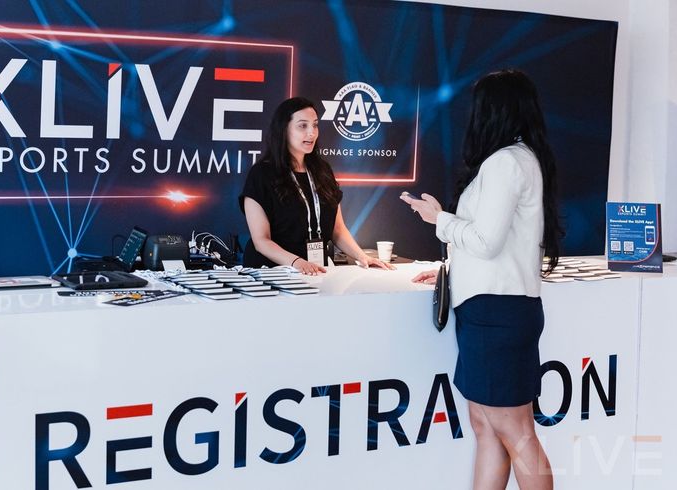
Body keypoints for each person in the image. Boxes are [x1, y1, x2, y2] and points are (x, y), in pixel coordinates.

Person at [401, 69, 562, 490]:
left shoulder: (506, 162)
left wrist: (440, 220)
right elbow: (491, 242)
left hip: (497, 312)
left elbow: (486, 242)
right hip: (492, 310)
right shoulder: (516, 160)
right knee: (486, 424)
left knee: (516, 430)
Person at [240, 97, 392, 274]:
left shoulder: (322, 170)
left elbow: (338, 230)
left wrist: (362, 257)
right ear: (283, 130)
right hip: (272, 273)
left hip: (316, 272)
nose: (311, 133)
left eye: (315, 125)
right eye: (302, 126)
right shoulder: (261, 174)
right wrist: (297, 262)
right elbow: (261, 241)